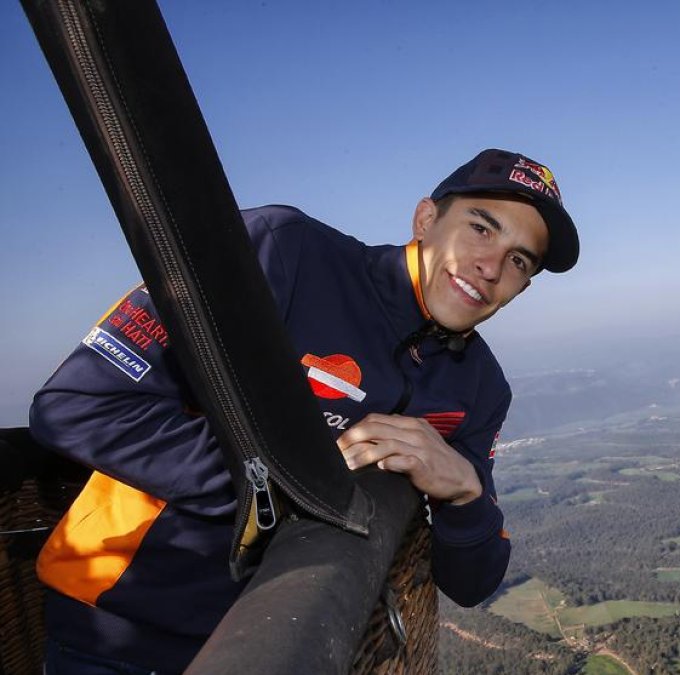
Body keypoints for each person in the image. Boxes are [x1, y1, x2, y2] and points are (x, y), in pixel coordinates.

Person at [30, 148, 579, 674]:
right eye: (481, 228)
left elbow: (473, 581)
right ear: (425, 218)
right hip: (120, 629)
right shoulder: (280, 250)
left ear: (522, 287)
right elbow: (79, 407)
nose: (489, 266)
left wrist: (464, 493)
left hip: (305, 645)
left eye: (517, 260)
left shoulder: (479, 388)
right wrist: (301, 484)